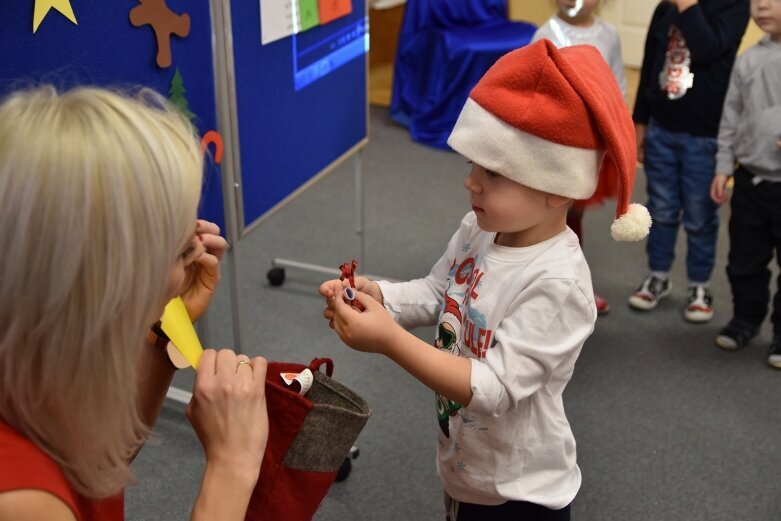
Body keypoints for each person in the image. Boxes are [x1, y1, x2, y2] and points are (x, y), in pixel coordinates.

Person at [320, 40, 649, 521]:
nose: (471, 181)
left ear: (559, 188)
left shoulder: (559, 285)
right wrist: (381, 297)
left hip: (521, 493)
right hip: (466, 467)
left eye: (493, 172)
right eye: (471, 163)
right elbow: (438, 292)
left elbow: (493, 388)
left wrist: (389, 341)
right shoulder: (480, 229)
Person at [0, 86, 269, 521]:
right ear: (109, 281)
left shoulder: (32, 355)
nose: (197, 256)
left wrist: (164, 329)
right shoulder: (21, 503)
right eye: (183, 251)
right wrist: (233, 467)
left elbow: (100, 465)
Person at [628, 0, 750, 322]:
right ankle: (657, 275)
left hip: (704, 134)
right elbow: (650, 61)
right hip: (662, 129)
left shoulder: (734, 6)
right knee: (662, 209)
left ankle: (699, 285)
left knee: (699, 216)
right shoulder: (665, 8)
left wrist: (687, 5)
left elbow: (707, 47)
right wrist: (640, 122)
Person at [532, 0, 627, 315]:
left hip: (590, 144)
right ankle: (537, 286)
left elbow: (617, 84)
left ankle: (574, 286)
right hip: (555, 143)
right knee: (543, 215)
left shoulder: (609, 34)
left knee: (572, 218)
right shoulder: (546, 34)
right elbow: (537, 88)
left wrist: (617, 130)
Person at [709, 0, 781, 365]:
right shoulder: (748, 60)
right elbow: (731, 117)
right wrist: (723, 166)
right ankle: (745, 319)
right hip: (750, 181)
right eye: (756, 0)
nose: (762, 5)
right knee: (744, 260)